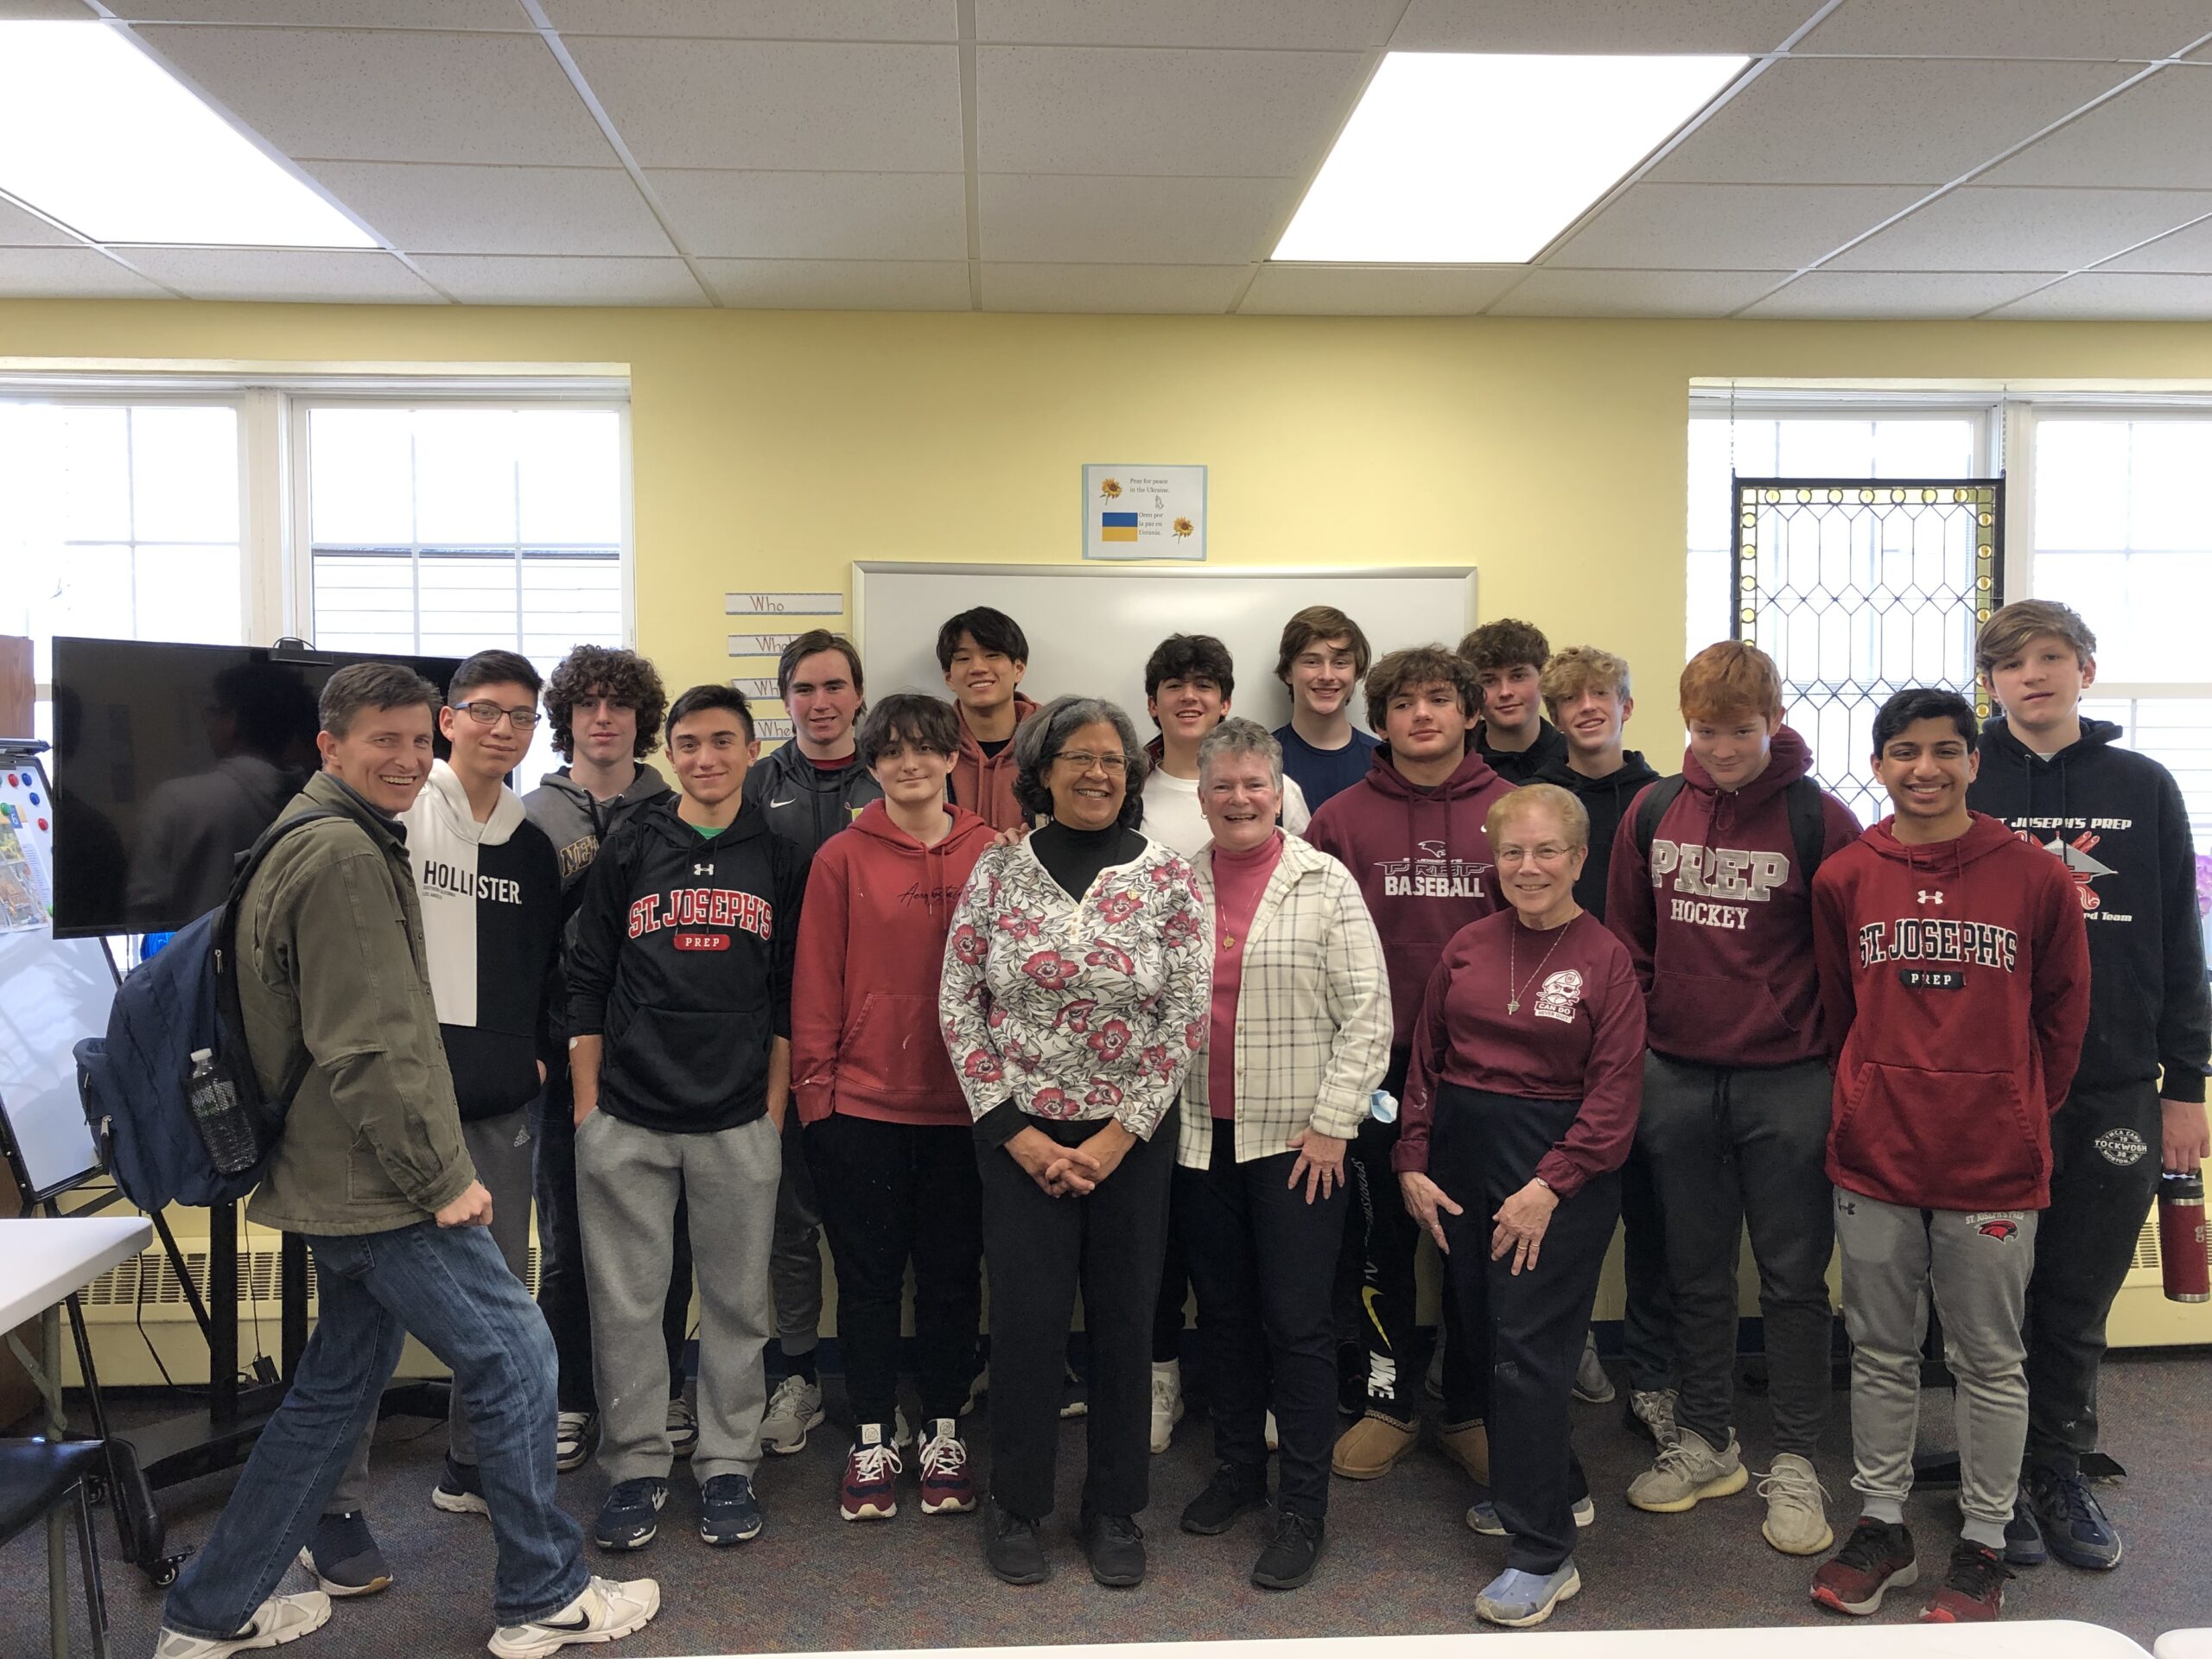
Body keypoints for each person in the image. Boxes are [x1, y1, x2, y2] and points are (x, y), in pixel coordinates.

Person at [154, 662, 654, 1659]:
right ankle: (543, 1594)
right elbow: (370, 1042)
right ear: (330, 747)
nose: (405, 756)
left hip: (333, 1172)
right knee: (518, 1357)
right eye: (383, 738)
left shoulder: (314, 833)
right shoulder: (342, 853)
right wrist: (443, 1180)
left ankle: (211, 1608)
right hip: (378, 1184)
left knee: (336, 1390)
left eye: (416, 738)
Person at [1809, 688, 2089, 1624]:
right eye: (1901, 752)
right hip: (1876, 1153)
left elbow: (2062, 1013)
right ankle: (1882, 1521)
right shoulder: (1846, 875)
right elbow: (1836, 1009)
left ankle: (1980, 1540)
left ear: (1974, 760)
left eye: (1942, 750)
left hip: (1991, 1162)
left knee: (1987, 1359)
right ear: (1879, 765)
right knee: (1880, 1350)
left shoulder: (2034, 877)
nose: (1922, 768)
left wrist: (2016, 1108)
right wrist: (1866, 1093)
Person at [940, 695, 1211, 1590]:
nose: (1097, 772)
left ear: (1130, 775)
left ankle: (1113, 1509)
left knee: (1128, 1323)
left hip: (1129, 1139)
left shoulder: (1169, 875)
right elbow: (957, 1004)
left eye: (1112, 759)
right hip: (1018, 1136)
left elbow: (1183, 1011)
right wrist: (1012, 1131)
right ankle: (1015, 1505)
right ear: (1042, 769)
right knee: (1024, 1325)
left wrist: (1116, 1135)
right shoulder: (996, 869)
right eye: (1078, 757)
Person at [1966, 600, 2210, 1570]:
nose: (2032, 676)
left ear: (2086, 670)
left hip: (2112, 1086)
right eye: (2011, 664)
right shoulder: (1963, 776)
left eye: (2050, 658)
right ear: (1988, 682)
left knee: (2075, 1294)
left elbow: (2178, 947)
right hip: (1985, 1084)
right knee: (1988, 1298)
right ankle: (1995, 1475)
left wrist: (2183, 1086)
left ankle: (2055, 1468)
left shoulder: (2142, 785)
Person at [1606, 641, 1861, 1557]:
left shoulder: (1816, 817)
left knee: (1793, 1282)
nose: (1720, 749)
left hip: (1789, 1082)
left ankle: (1794, 1460)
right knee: (1695, 1273)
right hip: (1675, 1076)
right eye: (1706, 730)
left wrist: (1834, 1066)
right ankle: (1706, 1440)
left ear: (1775, 722)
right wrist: (1640, 1055)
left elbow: (1850, 954)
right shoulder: (1654, 810)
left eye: (1741, 731)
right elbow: (1629, 942)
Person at [310, 652, 565, 1563]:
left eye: (522, 716)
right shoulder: (394, 821)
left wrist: (532, 1062)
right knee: (364, 1322)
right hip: (392, 1110)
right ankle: (333, 1507)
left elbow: (541, 973)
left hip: (499, 1110)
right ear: (450, 720)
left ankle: (473, 1466)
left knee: (498, 1303)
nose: (503, 729)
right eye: (485, 711)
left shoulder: (535, 847)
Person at [1397, 784, 1645, 1629]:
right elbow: (1425, 1066)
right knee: (1481, 1330)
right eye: (1512, 852)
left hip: (1556, 1174)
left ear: (1579, 859)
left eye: (1547, 852)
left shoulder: (1605, 959)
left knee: (1527, 1353)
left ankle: (1543, 1555)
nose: (1528, 867)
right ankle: (1554, 1487)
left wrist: (1547, 1188)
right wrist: (1411, 1161)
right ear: (1492, 860)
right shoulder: (1467, 945)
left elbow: (1613, 1102)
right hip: (1461, 1165)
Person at [566, 685, 807, 1554]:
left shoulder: (780, 857)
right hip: (628, 1114)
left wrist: (774, 1108)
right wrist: (588, 1106)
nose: (705, 758)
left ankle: (729, 1464)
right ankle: (635, 1468)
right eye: (689, 744)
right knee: (628, 1307)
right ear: (669, 754)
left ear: (751, 752)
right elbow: (586, 976)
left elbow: (788, 997)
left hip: (739, 1117)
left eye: (722, 743)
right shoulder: (630, 843)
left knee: (740, 1304)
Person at [1173, 719, 1389, 1591]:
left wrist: (1336, 1123)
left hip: (1299, 1145)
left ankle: (1301, 1506)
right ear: (1200, 795)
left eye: (1253, 785)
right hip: (1196, 1138)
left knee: (1297, 1326)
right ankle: (1236, 1472)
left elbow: (1368, 1015)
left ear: (1278, 793)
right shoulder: (1174, 884)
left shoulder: (1323, 882)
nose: (1237, 799)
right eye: (1221, 785)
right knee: (1221, 1316)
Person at [1305, 645, 1511, 1483]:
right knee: (1380, 1244)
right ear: (1379, 720)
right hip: (1375, 1074)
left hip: (1487, 1075)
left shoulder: (1518, 812)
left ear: (1470, 713)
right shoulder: (1341, 821)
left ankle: (1466, 1406)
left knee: (1473, 1249)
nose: (1421, 715)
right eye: (1401, 704)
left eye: (1438, 699)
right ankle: (1388, 1400)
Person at [793, 694, 994, 1522]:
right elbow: (815, 981)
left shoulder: (998, 854)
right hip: (863, 1110)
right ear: (871, 765)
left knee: (951, 1281)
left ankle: (943, 1427)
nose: (909, 763)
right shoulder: (841, 856)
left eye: (926, 749)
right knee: (870, 1285)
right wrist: (818, 1102)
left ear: (954, 757)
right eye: (892, 752)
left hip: (972, 1111)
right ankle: (873, 1432)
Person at [1137, 632, 1309, 1448]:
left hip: (1268, 1073)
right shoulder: (1127, 786)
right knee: (1168, 1248)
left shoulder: (1286, 798)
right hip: (1157, 1061)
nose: (1190, 696)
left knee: (1262, 1274)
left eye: (1206, 684)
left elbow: (1294, 902)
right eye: (1174, 684)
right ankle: (1161, 1382)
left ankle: (1260, 1402)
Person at [524, 645, 692, 1477]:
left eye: (618, 705)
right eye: (586, 704)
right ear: (566, 719)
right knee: (567, 1240)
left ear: (640, 719)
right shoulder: (528, 818)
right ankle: (571, 1398)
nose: (603, 717)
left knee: (668, 1238)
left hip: (660, 1056)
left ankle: (660, 1393)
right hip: (561, 1058)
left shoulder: (678, 806)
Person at [742, 629, 885, 1457]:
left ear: (858, 694)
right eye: (804, 689)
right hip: (783, 1030)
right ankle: (796, 1374)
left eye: (835, 687)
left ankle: (886, 1381)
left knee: (876, 1223)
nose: (821, 703)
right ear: (786, 699)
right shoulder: (758, 784)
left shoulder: (896, 773)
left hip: (881, 1035)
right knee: (788, 1217)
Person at [1533, 645, 1670, 1440]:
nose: (1587, 707)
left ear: (1626, 704)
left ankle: (1652, 1377)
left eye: (1601, 695)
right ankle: (1565, 1346)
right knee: (1556, 1200)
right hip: (1550, 1038)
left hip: (1645, 1038)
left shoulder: (1661, 803)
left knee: (1652, 1216)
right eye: (1571, 699)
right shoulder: (1532, 802)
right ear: (1554, 716)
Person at [938, 606, 1039, 831]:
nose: (978, 667)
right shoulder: (931, 746)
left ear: (1019, 668)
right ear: (949, 678)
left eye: (992, 655)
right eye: (963, 658)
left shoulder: (1053, 742)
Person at [1273, 605, 1381, 812]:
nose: (1327, 676)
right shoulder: (1260, 759)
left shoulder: (1384, 762)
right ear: (1287, 672)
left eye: (1340, 663)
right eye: (1312, 662)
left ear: (1356, 673)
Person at [1461, 619, 1567, 785]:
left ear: (1544, 678)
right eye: (1489, 681)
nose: (1505, 692)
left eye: (1518, 676)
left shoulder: (1575, 757)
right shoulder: (1457, 763)